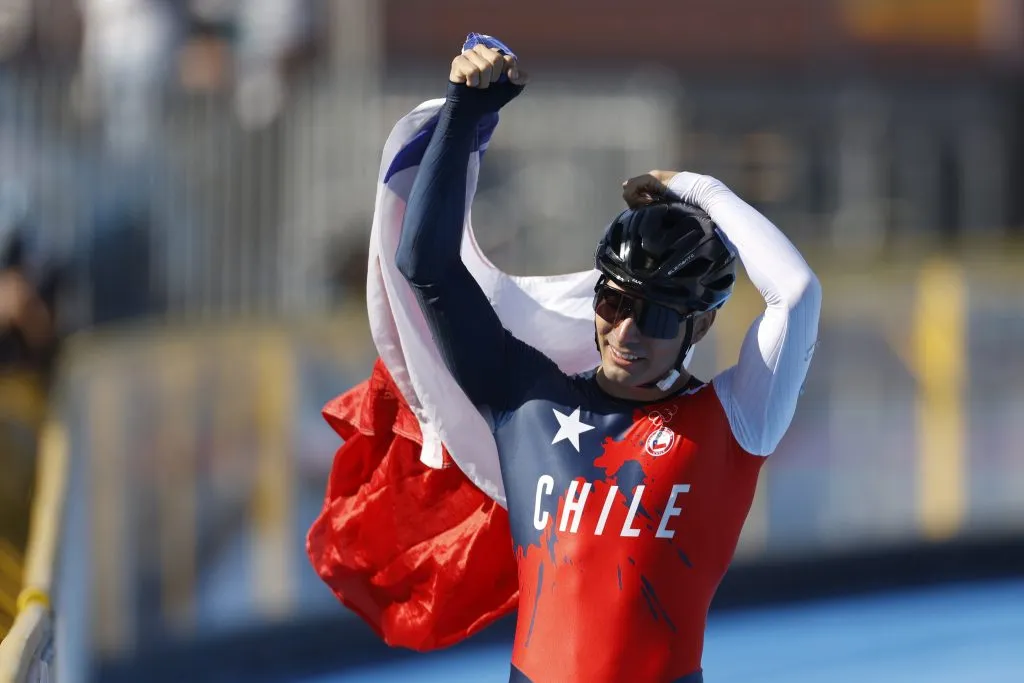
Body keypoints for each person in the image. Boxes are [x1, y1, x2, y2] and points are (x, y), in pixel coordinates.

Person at [388, 37, 822, 683]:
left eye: (655, 315)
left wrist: (702, 189)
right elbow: (425, 265)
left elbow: (796, 292)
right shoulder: (523, 394)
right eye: (614, 303)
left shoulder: (736, 418)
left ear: (700, 323)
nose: (625, 331)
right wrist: (466, 111)